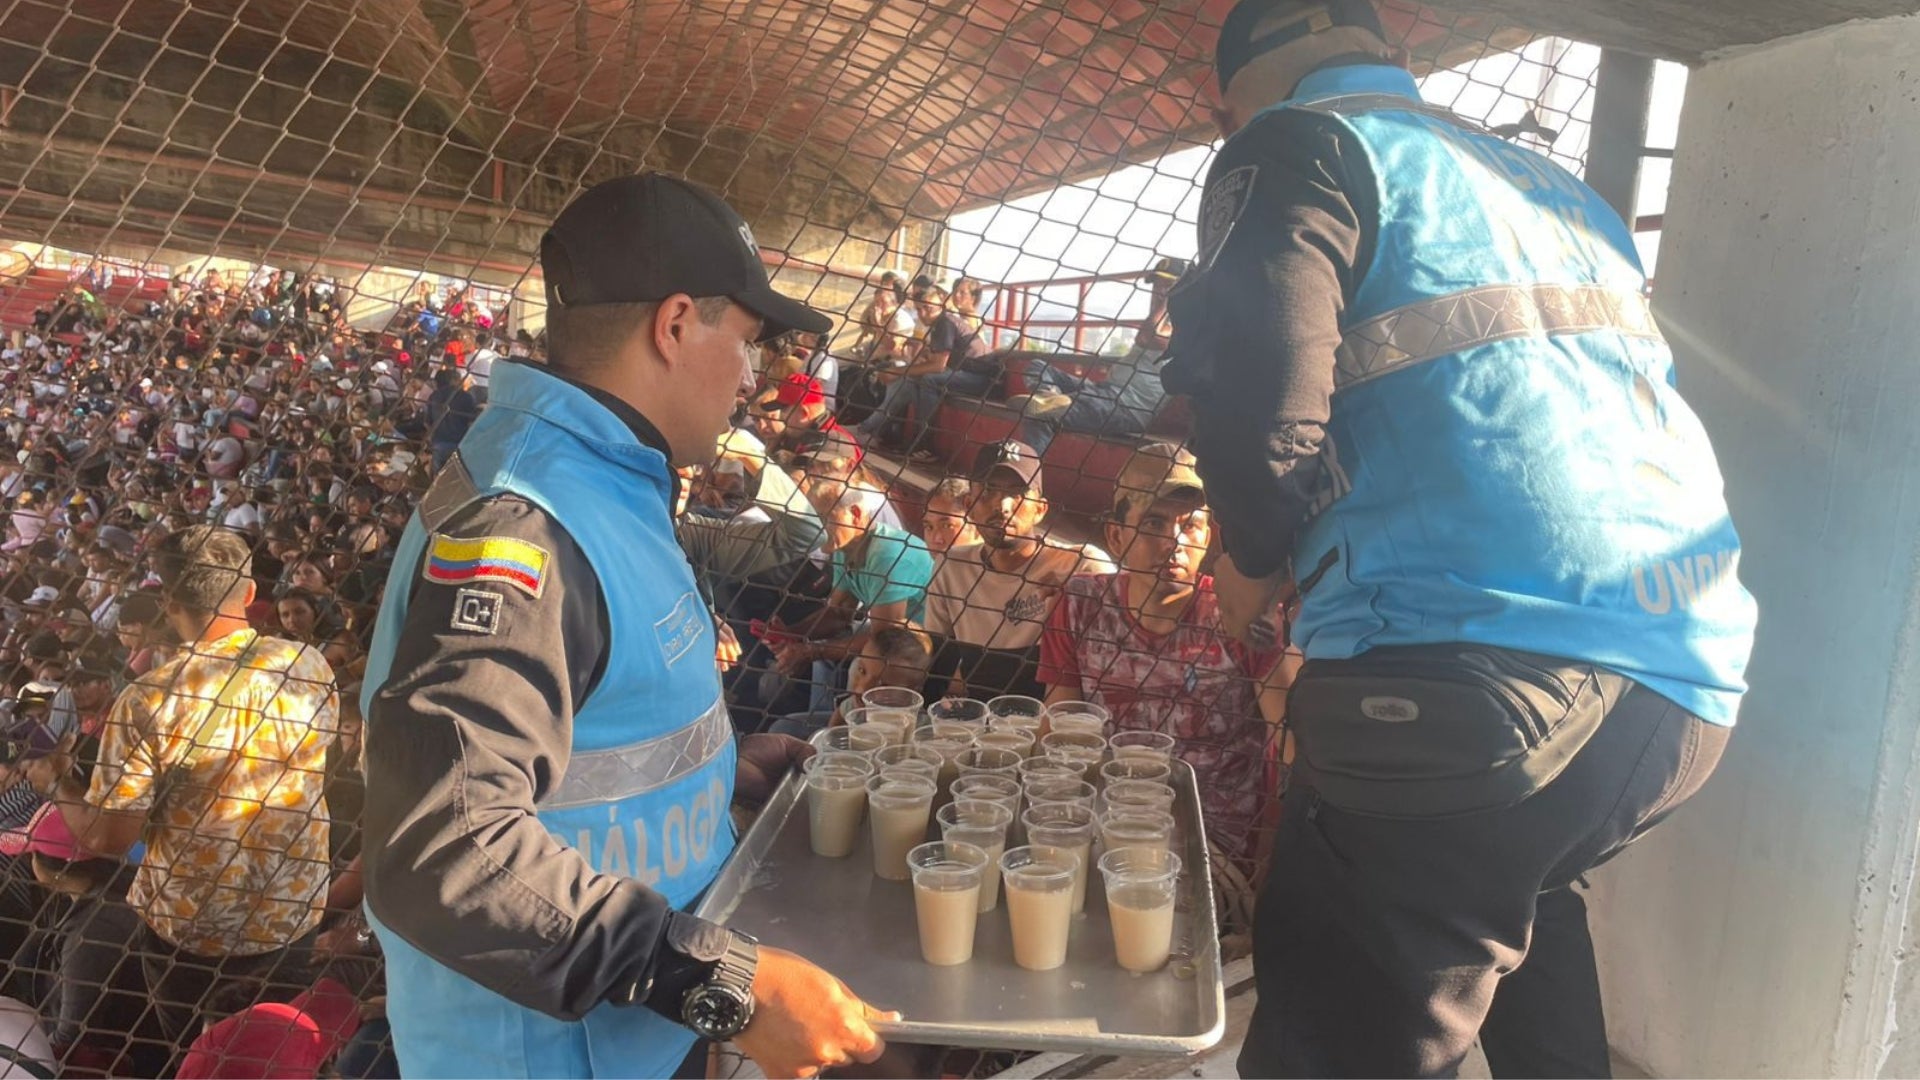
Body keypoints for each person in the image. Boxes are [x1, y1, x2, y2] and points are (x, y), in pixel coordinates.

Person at [1159, 3, 1759, 1076]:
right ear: (1394, 58)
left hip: (1472, 675)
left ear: (1232, 101)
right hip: (1681, 677)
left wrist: (1248, 565)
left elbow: (1262, 389)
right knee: (1519, 901)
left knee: (1336, 1034)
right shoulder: (1555, 187)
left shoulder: (1298, 143)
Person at [358, 173, 892, 1079]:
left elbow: (581, 736)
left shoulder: (603, 477)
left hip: (631, 1030)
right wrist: (727, 982)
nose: (756, 374)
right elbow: (442, 843)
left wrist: (716, 773)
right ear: (676, 324)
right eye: (750, 340)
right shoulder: (527, 519)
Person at [23, 524, 339, 1050]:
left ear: (168, 602)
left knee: (196, 1045)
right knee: (274, 1042)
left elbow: (107, 838)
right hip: (294, 905)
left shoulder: (149, 700)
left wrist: (55, 781)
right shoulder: (305, 663)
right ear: (250, 593)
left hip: (195, 930)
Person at [1037, 444, 1283, 860]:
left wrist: (1268, 866)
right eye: (1154, 522)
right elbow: (1057, 728)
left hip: (1212, 841)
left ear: (1208, 537)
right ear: (1116, 536)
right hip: (1108, 822)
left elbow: (1288, 744)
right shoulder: (1080, 605)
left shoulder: (1239, 617)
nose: (1174, 540)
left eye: (1191, 525)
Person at [923, 440, 1112, 702]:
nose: (1003, 506)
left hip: (1062, 722)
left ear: (1040, 509)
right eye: (988, 491)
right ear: (968, 505)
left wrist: (1077, 596)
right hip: (983, 720)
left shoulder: (1080, 565)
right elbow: (938, 663)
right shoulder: (951, 568)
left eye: (1018, 492)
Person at [1009, 258, 1184, 455]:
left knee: (1042, 415)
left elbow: (1147, 335)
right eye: (1156, 286)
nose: (1159, 292)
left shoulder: (1187, 327)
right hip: (1104, 391)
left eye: (1167, 286)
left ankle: (1027, 477)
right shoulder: (1160, 321)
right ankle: (1050, 396)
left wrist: (1169, 300)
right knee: (1038, 366)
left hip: (1128, 408)